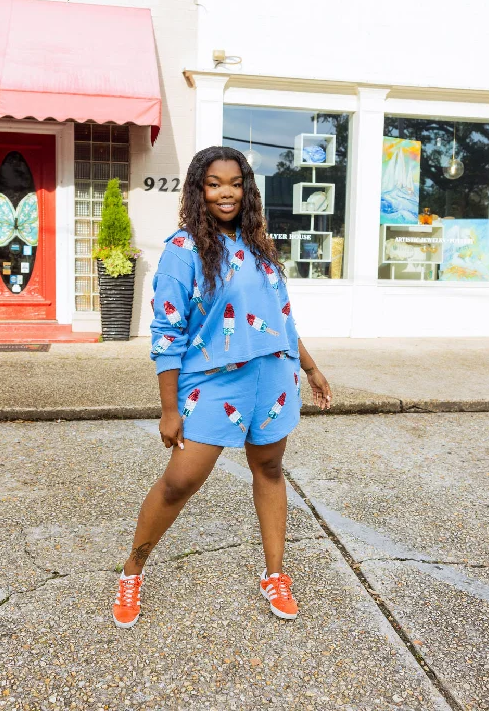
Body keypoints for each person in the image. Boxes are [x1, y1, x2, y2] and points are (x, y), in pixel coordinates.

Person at [112, 146, 332, 629]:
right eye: (214, 183)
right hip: (211, 383)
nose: (225, 192)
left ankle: (275, 574)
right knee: (180, 482)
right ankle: (132, 570)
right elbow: (166, 335)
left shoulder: (260, 244)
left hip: (272, 376)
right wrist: (169, 409)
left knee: (270, 469)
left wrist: (311, 368)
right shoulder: (182, 250)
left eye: (234, 183)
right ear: (199, 189)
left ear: (246, 188)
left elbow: (282, 317)